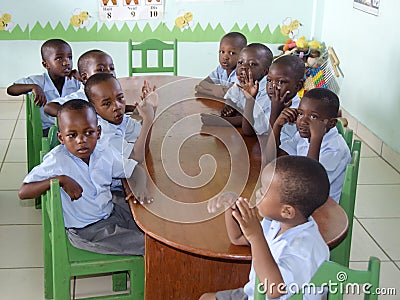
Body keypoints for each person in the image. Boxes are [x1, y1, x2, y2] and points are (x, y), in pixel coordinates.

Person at [18, 99, 151, 255]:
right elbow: (24, 192)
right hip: (86, 230)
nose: (81, 140)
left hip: (110, 212)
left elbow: (134, 169)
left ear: (99, 132)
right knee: (147, 245)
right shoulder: (58, 160)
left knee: (151, 226)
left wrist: (140, 185)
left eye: (89, 132)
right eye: (72, 135)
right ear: (61, 138)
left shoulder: (103, 152)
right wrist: (60, 179)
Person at [203, 156, 330, 300]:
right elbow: (237, 239)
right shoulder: (275, 223)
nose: (257, 193)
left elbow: (275, 290)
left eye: (263, 191)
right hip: (255, 293)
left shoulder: (304, 248)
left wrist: (256, 236)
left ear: (287, 211)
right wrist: (231, 207)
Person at [269, 88, 351, 202]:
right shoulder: (304, 136)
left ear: (331, 123)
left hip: (320, 209)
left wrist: (316, 139)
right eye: (301, 113)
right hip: (303, 196)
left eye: (313, 117)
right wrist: (277, 126)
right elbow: (272, 156)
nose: (303, 121)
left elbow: (307, 184)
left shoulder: (334, 149)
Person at [84, 72, 157, 196]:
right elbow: (137, 156)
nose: (117, 106)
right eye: (107, 103)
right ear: (93, 108)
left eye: (120, 98)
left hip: (125, 179)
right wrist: (149, 120)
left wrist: (151, 110)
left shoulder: (117, 118)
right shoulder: (102, 133)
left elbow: (141, 138)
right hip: (107, 193)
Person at [7, 38, 81, 136]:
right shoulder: (38, 81)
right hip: (48, 129)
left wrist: (82, 78)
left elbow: (92, 91)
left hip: (73, 125)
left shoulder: (74, 80)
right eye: (59, 58)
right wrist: (33, 87)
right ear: (45, 64)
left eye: (69, 57)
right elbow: (11, 89)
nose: (66, 62)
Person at [44, 49, 136, 117]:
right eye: (101, 69)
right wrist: (77, 116)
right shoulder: (81, 97)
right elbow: (49, 107)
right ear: (85, 77)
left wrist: (134, 109)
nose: (110, 73)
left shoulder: (112, 93)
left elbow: (111, 108)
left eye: (112, 68)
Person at [221, 43, 273, 136]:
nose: (243, 67)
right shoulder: (241, 80)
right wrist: (229, 106)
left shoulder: (268, 91)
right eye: (240, 62)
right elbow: (231, 98)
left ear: (266, 71)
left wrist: (220, 121)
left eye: (252, 64)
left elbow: (252, 122)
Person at [195, 32, 247, 98]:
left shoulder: (242, 73)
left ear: (243, 55)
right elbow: (203, 83)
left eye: (231, 53)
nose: (225, 57)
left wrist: (203, 90)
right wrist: (214, 88)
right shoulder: (221, 69)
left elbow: (229, 96)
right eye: (222, 52)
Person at [266, 55, 305, 142]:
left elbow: (270, 144)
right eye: (269, 80)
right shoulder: (272, 101)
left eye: (280, 82)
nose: (272, 86)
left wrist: (275, 113)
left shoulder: (298, 113)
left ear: (298, 86)